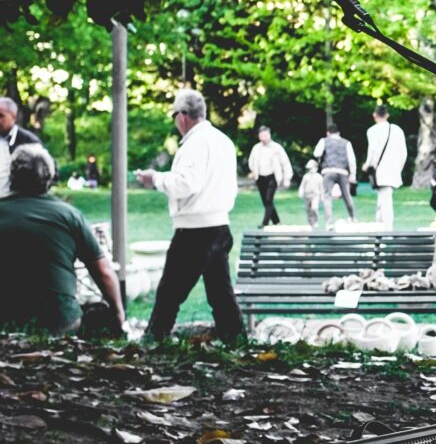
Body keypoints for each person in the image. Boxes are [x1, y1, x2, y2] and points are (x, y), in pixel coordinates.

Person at [137, 88, 243, 344]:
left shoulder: (196, 143)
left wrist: (156, 179)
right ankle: (237, 340)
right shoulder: (223, 141)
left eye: (175, 115)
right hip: (219, 225)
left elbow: (187, 184)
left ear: (183, 116)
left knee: (169, 292)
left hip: (195, 229)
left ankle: (153, 340)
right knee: (220, 294)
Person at [0, 144, 124, 335]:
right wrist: (118, 313)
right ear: (49, 177)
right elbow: (103, 271)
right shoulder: (69, 215)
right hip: (59, 321)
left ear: (11, 176)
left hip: (6, 321)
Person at [363, 104, 408, 229]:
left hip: (380, 171)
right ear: (387, 115)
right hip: (393, 169)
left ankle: (387, 230)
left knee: (385, 202)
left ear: (374, 115)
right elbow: (403, 152)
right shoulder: (397, 130)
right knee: (382, 200)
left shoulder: (372, 131)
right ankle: (379, 228)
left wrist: (368, 165)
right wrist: (398, 168)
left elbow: (372, 151)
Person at [248, 126, 294, 227]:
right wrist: (254, 171)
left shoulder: (277, 148)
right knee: (266, 201)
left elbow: (285, 163)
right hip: (260, 177)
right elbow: (251, 161)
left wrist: (287, 178)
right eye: (261, 135)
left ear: (269, 135)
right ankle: (277, 222)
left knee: (269, 200)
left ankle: (265, 223)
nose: (263, 137)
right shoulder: (256, 148)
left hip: (273, 177)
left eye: (265, 135)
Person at [0, 96, 44, 198]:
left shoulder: (29, 141)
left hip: (17, 202)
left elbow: (42, 175)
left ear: (13, 117)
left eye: (1, 116)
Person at [314, 123, 356, 224]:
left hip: (328, 171)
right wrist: (353, 174)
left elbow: (316, 153)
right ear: (338, 133)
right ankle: (353, 217)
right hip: (342, 171)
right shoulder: (346, 143)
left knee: (327, 197)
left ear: (327, 133)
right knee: (347, 196)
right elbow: (352, 160)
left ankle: (329, 223)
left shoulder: (324, 140)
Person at [297, 158, 324, 229]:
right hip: (307, 195)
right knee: (308, 210)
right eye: (309, 169)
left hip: (315, 195)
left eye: (312, 168)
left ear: (316, 168)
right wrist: (300, 192)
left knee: (314, 208)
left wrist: (322, 196)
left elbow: (321, 188)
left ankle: (316, 221)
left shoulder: (319, 177)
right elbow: (302, 186)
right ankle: (310, 223)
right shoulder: (306, 177)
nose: (310, 170)